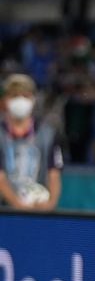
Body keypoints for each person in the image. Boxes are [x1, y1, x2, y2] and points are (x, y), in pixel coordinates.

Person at [0, 73, 63, 211]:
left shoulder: (47, 134)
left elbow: (54, 173)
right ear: (4, 100)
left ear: (33, 99)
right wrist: (17, 204)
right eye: (14, 95)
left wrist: (50, 204)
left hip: (38, 210)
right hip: (4, 212)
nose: (20, 100)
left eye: (25, 95)